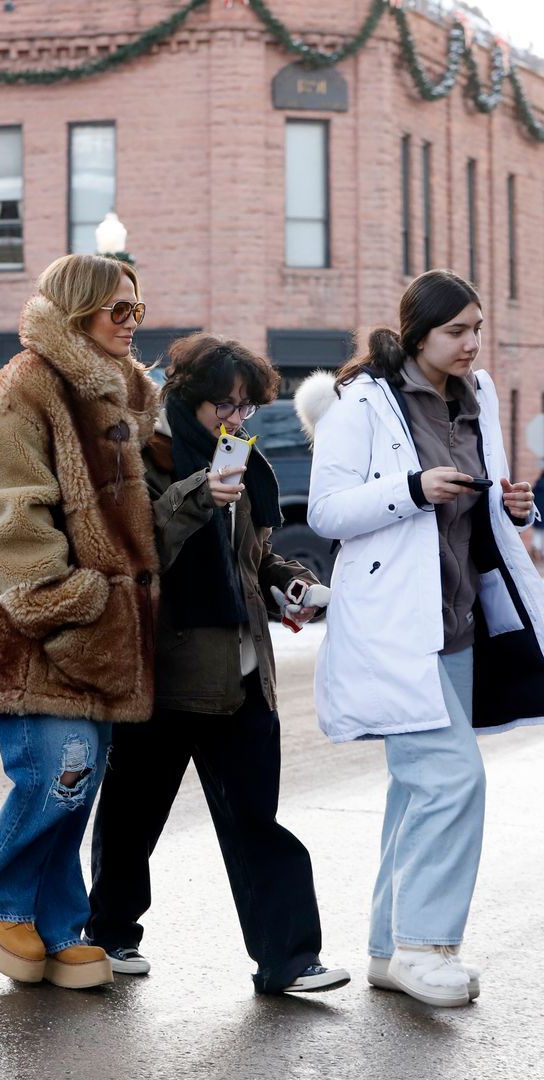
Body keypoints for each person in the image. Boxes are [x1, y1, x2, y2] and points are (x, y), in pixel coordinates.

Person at [296, 269, 544, 1008]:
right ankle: (424, 945)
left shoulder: (480, 396)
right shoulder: (362, 404)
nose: (472, 343)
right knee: (452, 780)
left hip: (458, 619)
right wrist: (411, 490)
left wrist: (516, 508)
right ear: (418, 334)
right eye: (456, 331)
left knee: (417, 789)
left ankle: (386, 947)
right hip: (393, 627)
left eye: (476, 328)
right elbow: (327, 512)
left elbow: (484, 515)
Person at [85, 333, 349, 994]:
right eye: (223, 407)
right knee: (131, 818)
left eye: (248, 409)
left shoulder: (243, 460)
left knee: (257, 820)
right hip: (167, 674)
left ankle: (288, 958)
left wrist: (289, 579)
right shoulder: (146, 453)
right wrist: (202, 492)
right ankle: (110, 934)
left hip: (241, 668)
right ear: (186, 398)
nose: (236, 421)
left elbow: (250, 559)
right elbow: (139, 554)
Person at [0, 253, 160, 990]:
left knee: (82, 779)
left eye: (138, 311)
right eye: (119, 311)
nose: (134, 325)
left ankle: (56, 924)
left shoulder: (126, 392)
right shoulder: (31, 382)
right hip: (36, 627)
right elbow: (4, 508)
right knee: (58, 775)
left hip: (103, 630)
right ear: (79, 313)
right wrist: (66, 601)